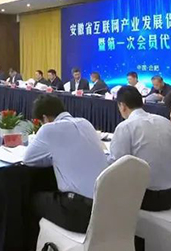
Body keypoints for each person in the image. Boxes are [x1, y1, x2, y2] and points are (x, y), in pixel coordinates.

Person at [24, 95, 108, 234]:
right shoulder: (86, 123)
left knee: (34, 200)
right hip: (106, 208)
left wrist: (53, 156)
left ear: (45, 118)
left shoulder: (48, 129)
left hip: (81, 212)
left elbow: (28, 159)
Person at [110, 86, 171, 211]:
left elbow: (116, 165)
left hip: (143, 197)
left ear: (122, 105)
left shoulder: (125, 127)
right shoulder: (165, 122)